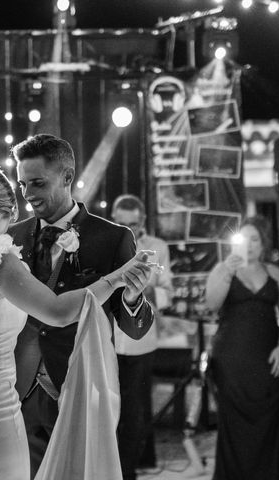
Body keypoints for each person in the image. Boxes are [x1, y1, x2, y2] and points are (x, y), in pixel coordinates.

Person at [0, 134, 155, 477]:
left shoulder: (112, 237)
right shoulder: (6, 239)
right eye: (22, 184)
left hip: (76, 389)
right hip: (16, 392)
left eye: (37, 183)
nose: (28, 194)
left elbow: (135, 327)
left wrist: (132, 297)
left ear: (67, 177)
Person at [205, 216, 279, 480]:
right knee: (233, 421)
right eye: (245, 239)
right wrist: (228, 272)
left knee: (268, 417)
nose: (251, 245)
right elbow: (212, 304)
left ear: (263, 243)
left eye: (255, 239)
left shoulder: (273, 273)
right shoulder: (223, 268)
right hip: (231, 358)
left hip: (267, 356)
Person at [110, 194, 172, 480]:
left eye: (133, 224)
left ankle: (128, 471)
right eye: (121, 224)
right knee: (110, 408)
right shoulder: (106, 245)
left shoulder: (157, 248)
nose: (128, 230)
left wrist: (142, 293)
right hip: (107, 338)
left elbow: (167, 294)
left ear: (143, 221)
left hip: (141, 340)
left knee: (134, 409)